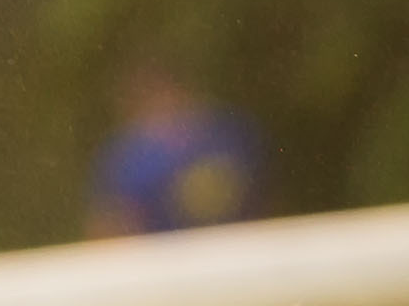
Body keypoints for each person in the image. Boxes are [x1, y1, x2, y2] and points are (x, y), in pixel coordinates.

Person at [87, 64, 274, 239]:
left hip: (236, 247)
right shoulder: (126, 159)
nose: (162, 103)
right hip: (164, 256)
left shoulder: (227, 134)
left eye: (164, 93)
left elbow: (264, 199)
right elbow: (110, 225)